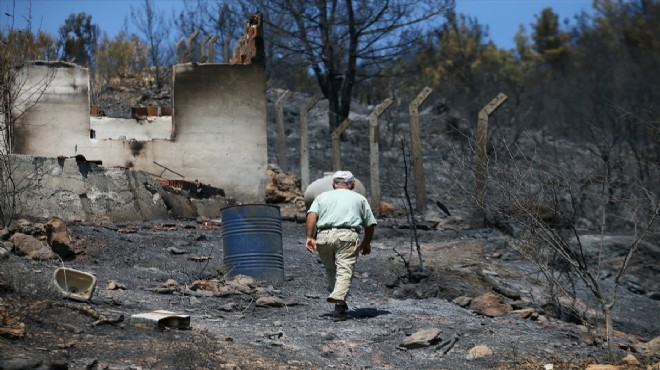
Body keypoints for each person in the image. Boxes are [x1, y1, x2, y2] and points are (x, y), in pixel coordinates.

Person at [305, 170, 377, 318]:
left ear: (333, 184)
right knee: (345, 269)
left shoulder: (322, 197)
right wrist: (366, 242)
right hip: (347, 235)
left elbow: (311, 214)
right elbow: (369, 224)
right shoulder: (359, 198)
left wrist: (309, 236)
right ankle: (338, 296)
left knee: (331, 269)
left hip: (323, 235)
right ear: (353, 184)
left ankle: (340, 306)